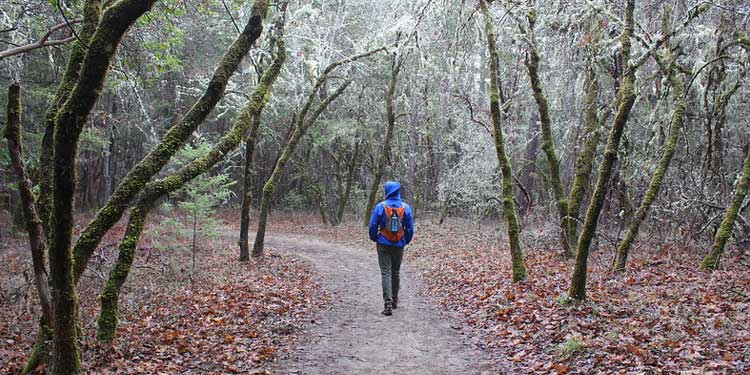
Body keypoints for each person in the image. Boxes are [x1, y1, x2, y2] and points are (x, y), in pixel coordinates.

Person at [368, 181, 414, 316]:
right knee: (395, 272)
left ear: (387, 191)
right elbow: (410, 228)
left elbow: (372, 225)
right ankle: (394, 300)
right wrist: (406, 240)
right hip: (399, 244)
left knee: (386, 273)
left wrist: (374, 238)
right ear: (398, 192)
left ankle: (387, 303)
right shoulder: (406, 208)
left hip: (383, 243)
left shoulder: (380, 207)